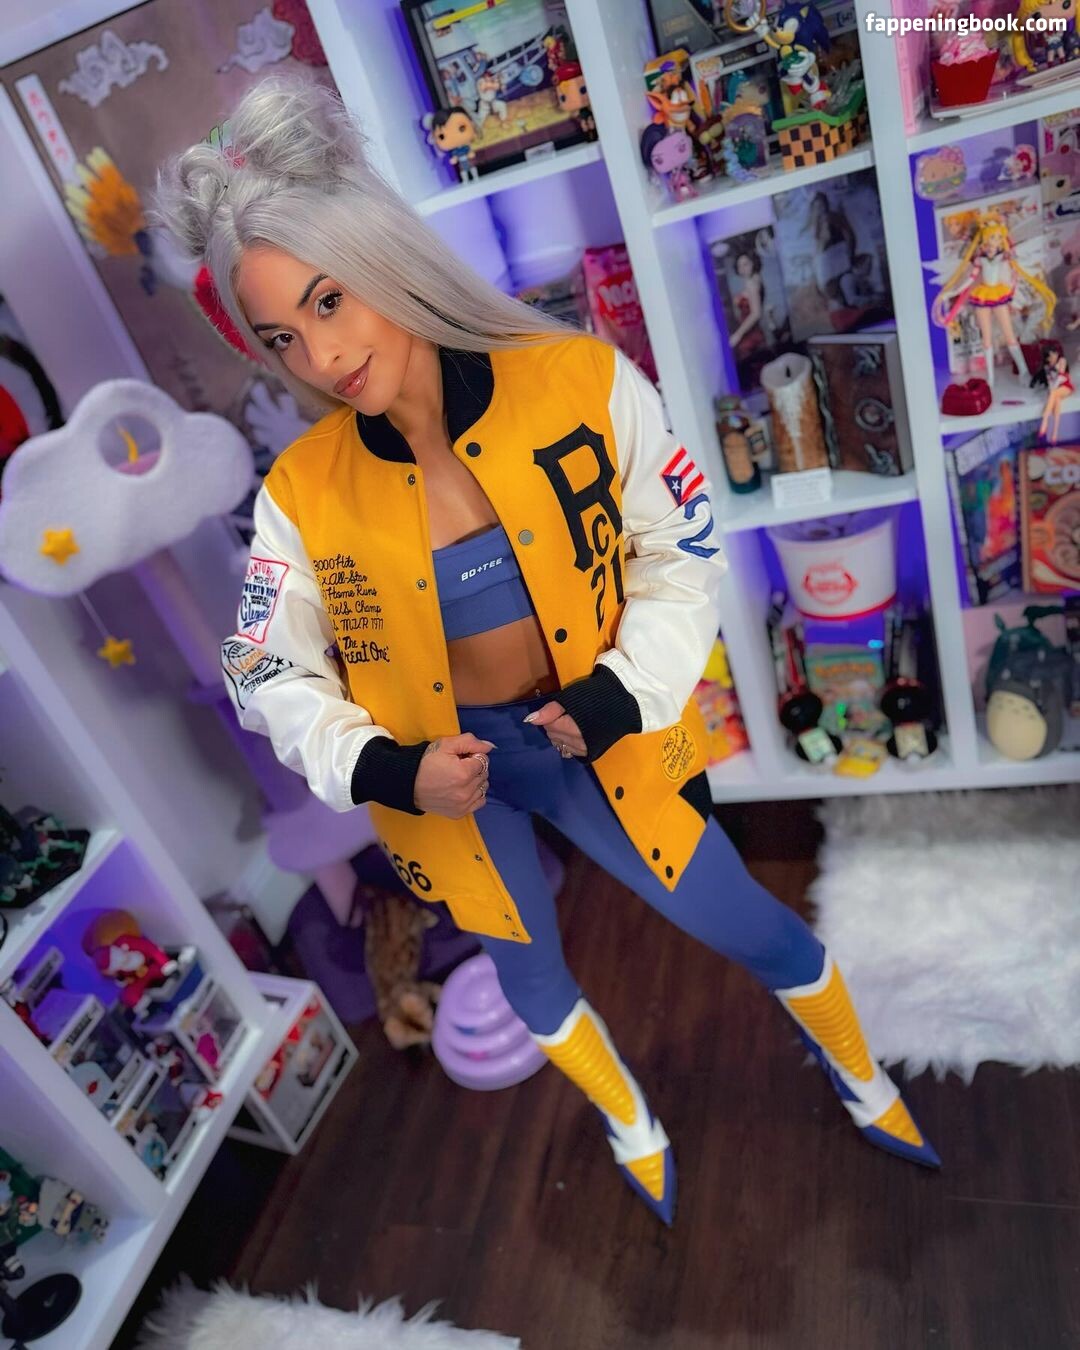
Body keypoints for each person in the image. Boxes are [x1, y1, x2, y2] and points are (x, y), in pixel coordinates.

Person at [154, 76, 939, 1226]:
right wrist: (387, 769)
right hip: (441, 785)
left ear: (379, 259)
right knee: (528, 979)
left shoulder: (580, 381)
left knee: (745, 921)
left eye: (329, 302)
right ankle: (630, 1124)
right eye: (283, 335)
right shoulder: (300, 497)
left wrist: (622, 694)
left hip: (599, 739)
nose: (319, 355)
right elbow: (265, 669)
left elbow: (682, 550)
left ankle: (864, 1078)